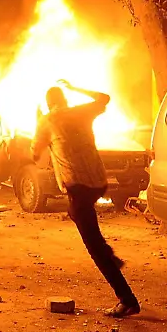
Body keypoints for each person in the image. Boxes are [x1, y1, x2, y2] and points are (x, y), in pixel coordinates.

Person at [32, 79, 140, 318]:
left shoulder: (47, 121)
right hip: (99, 184)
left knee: (94, 248)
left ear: (48, 104)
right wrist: (75, 88)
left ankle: (127, 299)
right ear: (65, 100)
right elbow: (104, 98)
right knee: (76, 214)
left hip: (79, 189)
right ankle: (108, 254)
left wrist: (39, 127)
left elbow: (35, 155)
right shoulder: (82, 111)